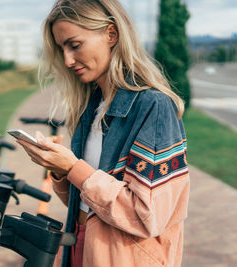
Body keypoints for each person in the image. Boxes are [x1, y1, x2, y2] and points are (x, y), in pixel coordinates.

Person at [16, 0, 190, 266]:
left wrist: (74, 167)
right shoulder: (91, 109)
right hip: (79, 245)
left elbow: (147, 216)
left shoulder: (153, 107)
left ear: (111, 34)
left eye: (74, 45)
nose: (68, 60)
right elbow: (87, 202)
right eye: (62, 49)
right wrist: (62, 171)